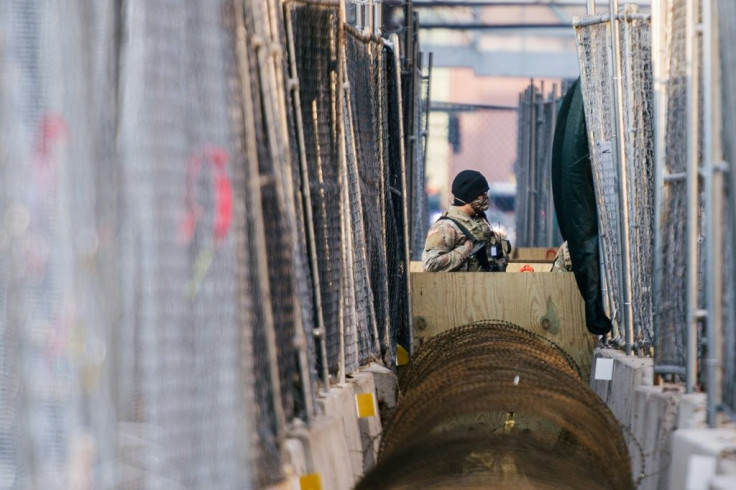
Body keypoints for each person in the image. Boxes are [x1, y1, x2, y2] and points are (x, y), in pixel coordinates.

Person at [422, 170, 510, 272]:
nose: (486, 197)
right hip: (458, 286)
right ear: (470, 195)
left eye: (486, 193)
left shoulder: (480, 220)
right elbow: (430, 265)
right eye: (482, 194)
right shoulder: (445, 226)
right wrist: (465, 250)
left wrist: (501, 247)